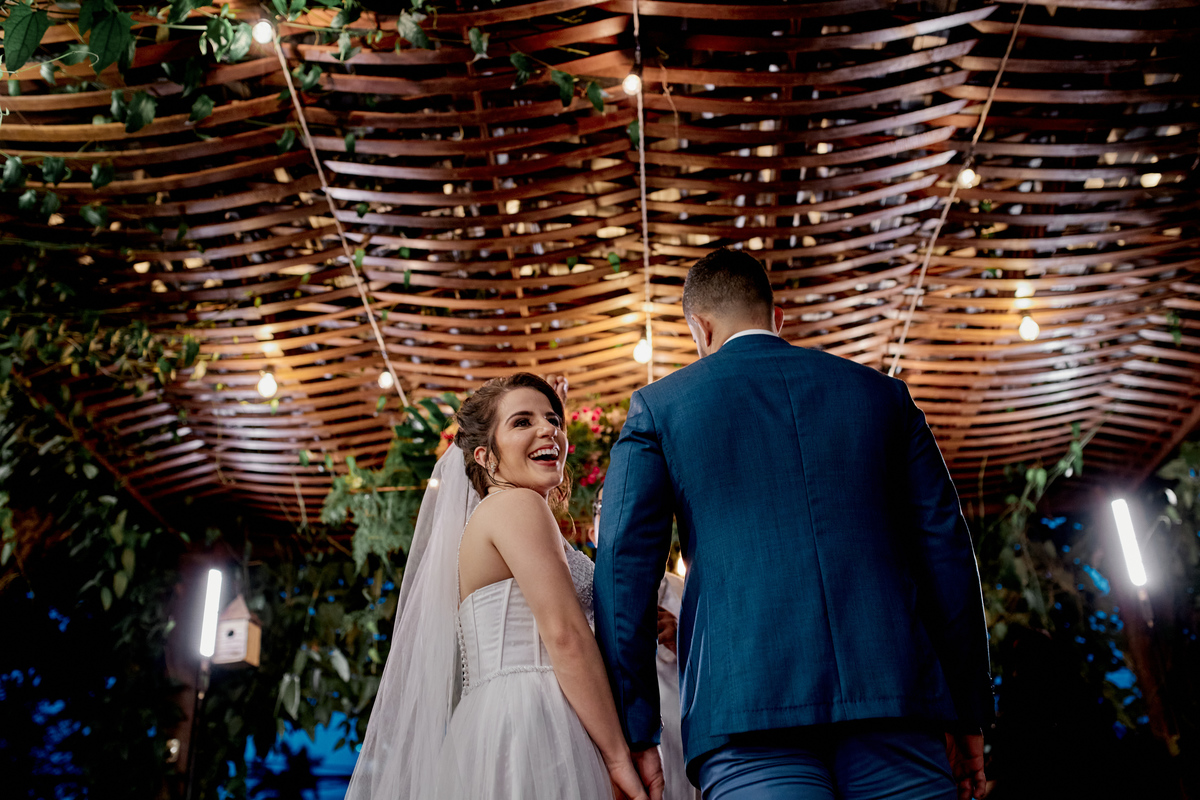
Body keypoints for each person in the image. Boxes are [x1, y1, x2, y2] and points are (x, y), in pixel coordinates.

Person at [594, 247, 993, 800]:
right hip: (895, 702)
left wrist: (635, 731)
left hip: (745, 712)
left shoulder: (662, 408)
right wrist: (969, 712)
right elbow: (947, 553)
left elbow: (623, 577)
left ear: (699, 328)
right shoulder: (884, 396)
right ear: (776, 318)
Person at [346, 373, 647, 800]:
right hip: (537, 721)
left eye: (553, 420)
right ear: (486, 457)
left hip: (495, 723)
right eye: (522, 422)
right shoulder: (517, 505)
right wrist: (618, 758)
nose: (549, 429)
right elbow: (565, 636)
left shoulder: (497, 516)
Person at [593, 484, 698, 800]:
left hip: (684, 733)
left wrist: (684, 642)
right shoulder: (586, 595)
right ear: (595, 526)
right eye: (604, 510)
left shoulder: (689, 591)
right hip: (622, 737)